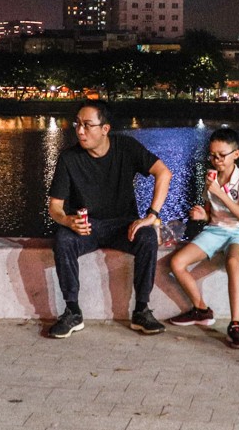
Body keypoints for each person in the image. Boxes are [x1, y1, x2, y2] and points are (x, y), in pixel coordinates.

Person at [47, 101, 172, 338]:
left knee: (147, 237)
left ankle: (142, 310)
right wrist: (68, 221)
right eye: (78, 124)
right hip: (87, 226)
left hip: (123, 224)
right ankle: (72, 311)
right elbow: (55, 207)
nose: (80, 131)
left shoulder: (125, 146)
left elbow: (163, 173)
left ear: (105, 129)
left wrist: (151, 215)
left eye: (87, 125)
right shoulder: (69, 158)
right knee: (63, 239)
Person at [168, 128, 239, 348]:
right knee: (177, 263)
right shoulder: (211, 178)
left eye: (221, 155)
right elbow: (211, 212)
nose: (217, 160)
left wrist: (220, 193)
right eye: (212, 155)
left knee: (232, 261)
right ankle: (201, 309)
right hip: (215, 230)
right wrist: (202, 215)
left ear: (235, 154)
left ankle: (235, 325)